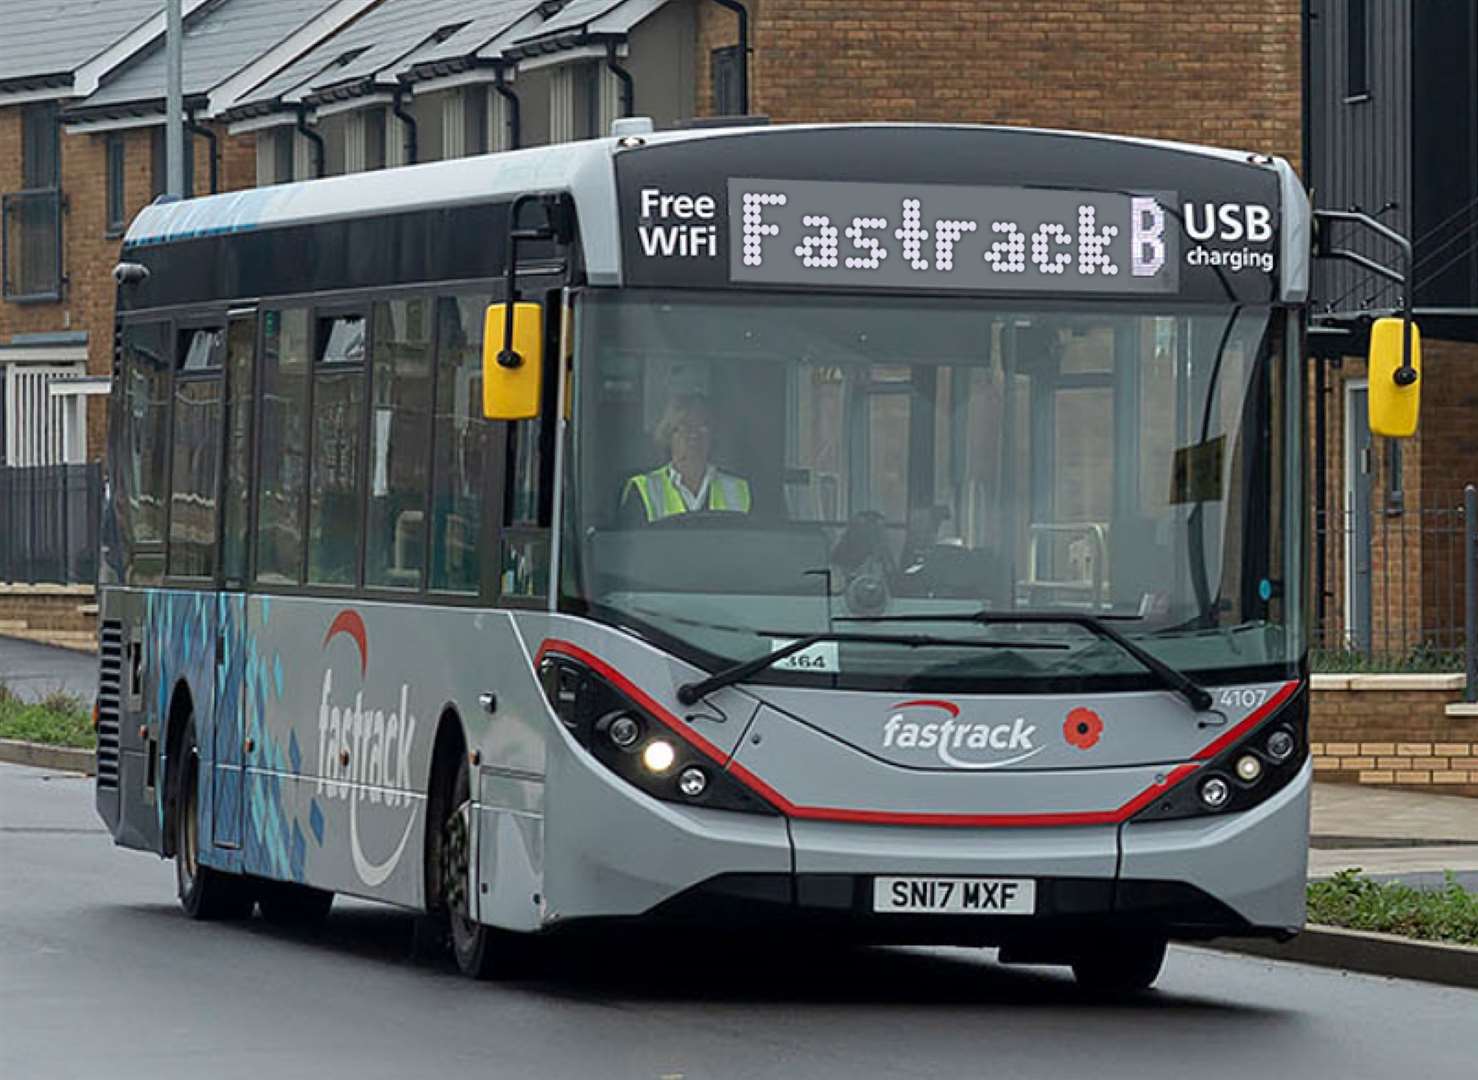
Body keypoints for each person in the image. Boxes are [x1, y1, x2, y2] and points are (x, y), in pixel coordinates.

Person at [622, 393, 752, 523]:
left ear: (712, 436)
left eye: (703, 427)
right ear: (668, 435)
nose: (694, 435)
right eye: (684, 427)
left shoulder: (737, 489)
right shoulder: (643, 489)